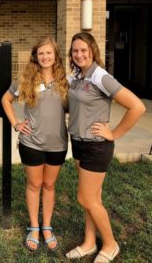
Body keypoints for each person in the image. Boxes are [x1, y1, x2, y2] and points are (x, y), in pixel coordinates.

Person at [65, 32, 146, 262]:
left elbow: (137, 107)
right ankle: (90, 243)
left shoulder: (101, 76)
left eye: (83, 50)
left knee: (86, 198)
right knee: (93, 198)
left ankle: (110, 244)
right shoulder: (77, 76)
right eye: (75, 50)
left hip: (96, 146)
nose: (79, 54)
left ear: (92, 51)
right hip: (79, 143)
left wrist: (114, 133)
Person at [1, 37, 69, 251]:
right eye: (41, 53)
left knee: (49, 185)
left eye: (49, 53)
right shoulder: (26, 79)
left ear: (55, 55)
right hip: (31, 142)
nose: (45, 57)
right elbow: (5, 99)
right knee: (34, 185)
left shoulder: (65, 80)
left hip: (57, 143)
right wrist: (16, 124)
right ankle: (34, 227)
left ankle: (47, 226)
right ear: (35, 56)